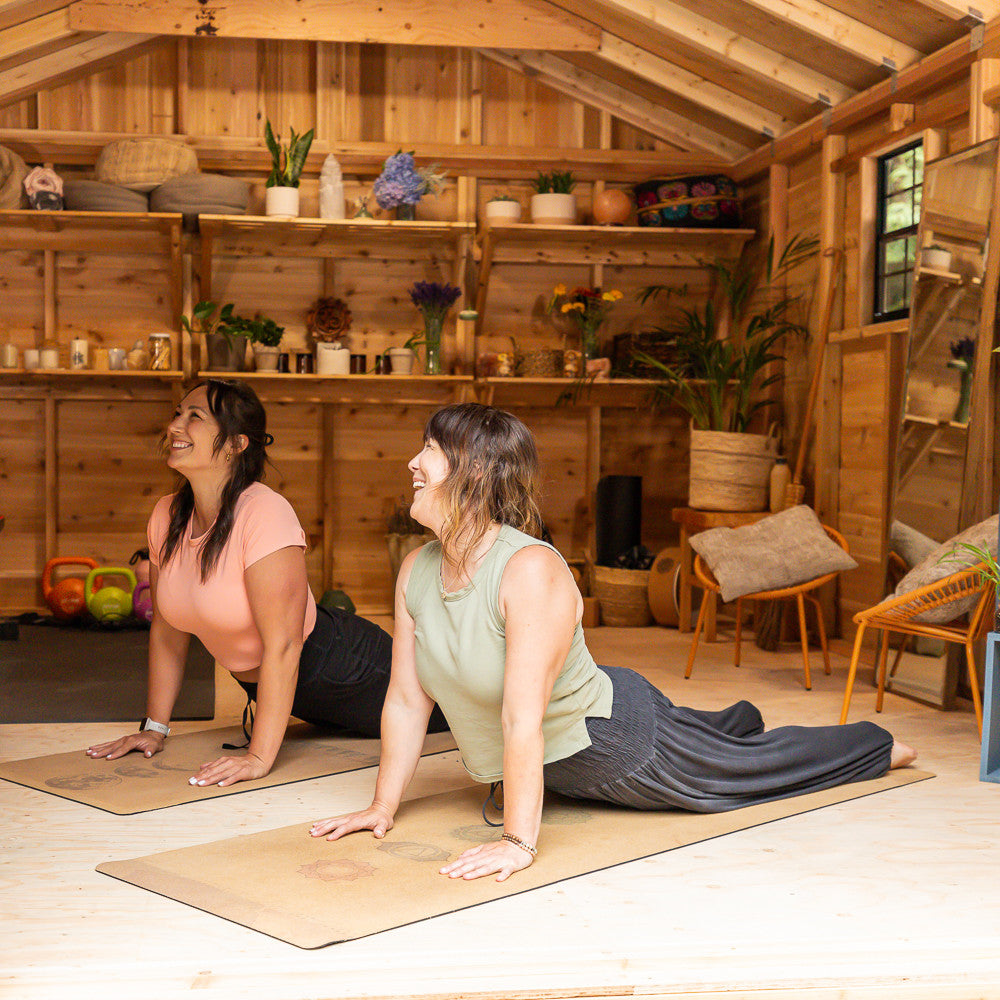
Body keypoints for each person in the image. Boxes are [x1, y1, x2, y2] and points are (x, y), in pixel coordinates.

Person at [310, 402, 917, 882]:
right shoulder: (416, 569)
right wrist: (381, 807)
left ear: (473, 473)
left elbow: (524, 719)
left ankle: (873, 747)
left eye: (431, 451)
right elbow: (407, 701)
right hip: (556, 755)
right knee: (708, 736)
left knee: (743, 780)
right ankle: (733, 721)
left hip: (612, 738)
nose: (413, 462)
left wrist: (518, 844)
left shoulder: (529, 570)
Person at [86, 379, 445, 787]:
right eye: (177, 414)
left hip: (349, 667)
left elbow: (286, 645)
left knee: (458, 717)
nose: (175, 427)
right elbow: (167, 630)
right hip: (293, 689)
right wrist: (154, 727)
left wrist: (258, 756)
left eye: (195, 417)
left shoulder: (264, 512)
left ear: (237, 444)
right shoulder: (167, 516)